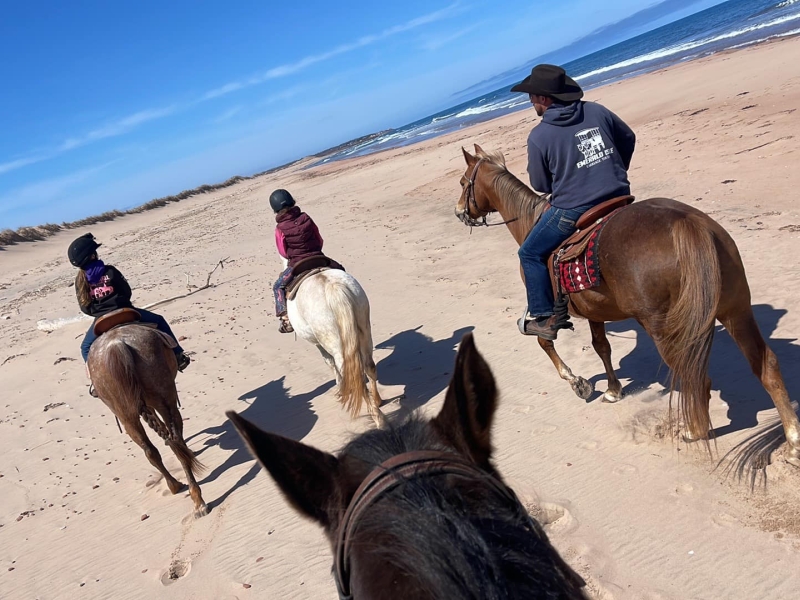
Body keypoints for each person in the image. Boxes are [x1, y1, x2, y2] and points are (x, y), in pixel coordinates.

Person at [510, 64, 636, 340]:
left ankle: (544, 317)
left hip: (574, 208)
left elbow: (541, 186)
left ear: (543, 99)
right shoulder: (597, 110)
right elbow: (628, 137)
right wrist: (614, 171)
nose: (530, 101)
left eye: (531, 96)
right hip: (619, 194)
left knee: (529, 254)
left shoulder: (539, 136)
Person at [67, 233, 190, 396]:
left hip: (102, 319)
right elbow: (126, 290)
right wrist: (120, 302)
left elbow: (84, 307)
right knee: (159, 321)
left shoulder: (81, 281)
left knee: (85, 347)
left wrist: (100, 312)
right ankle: (178, 355)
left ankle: (96, 383)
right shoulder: (110, 271)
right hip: (124, 310)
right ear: (92, 255)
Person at [271, 189, 326, 333]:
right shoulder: (306, 217)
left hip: (297, 263)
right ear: (292, 201)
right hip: (318, 256)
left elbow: (283, 251)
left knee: (278, 286)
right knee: (341, 271)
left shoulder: (280, 228)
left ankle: (286, 319)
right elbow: (319, 239)